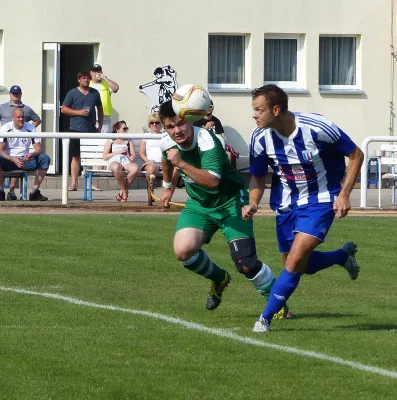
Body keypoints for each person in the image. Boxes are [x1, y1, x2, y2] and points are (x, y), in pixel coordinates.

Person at [242, 84, 364, 333]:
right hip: (286, 205)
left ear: (276, 110)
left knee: (296, 259)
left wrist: (344, 194)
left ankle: (264, 319)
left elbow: (356, 154)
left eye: (258, 110)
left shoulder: (316, 127)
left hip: (320, 200)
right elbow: (257, 176)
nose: (254, 115)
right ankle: (342, 256)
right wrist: (253, 202)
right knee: (299, 265)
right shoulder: (259, 137)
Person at [159, 100, 292, 317]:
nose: (176, 131)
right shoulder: (167, 142)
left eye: (180, 124)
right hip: (200, 205)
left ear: (190, 121)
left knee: (246, 263)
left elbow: (211, 181)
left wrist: (181, 164)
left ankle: (278, 305)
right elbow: (166, 160)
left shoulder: (207, 141)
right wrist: (167, 187)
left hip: (231, 201)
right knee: (183, 252)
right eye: (170, 127)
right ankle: (219, 278)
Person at [61, 71, 103, 191]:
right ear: (79, 80)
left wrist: (99, 126)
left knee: (91, 157)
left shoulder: (94, 93)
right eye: (83, 78)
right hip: (76, 129)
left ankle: (91, 183)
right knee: (76, 156)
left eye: (87, 78)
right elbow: (64, 109)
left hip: (91, 130)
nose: (86, 80)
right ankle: (74, 183)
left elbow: (100, 109)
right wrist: (78, 112)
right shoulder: (72, 93)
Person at [0, 85, 42, 200]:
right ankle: (1, 190)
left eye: (17, 94)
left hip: (22, 144)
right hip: (5, 139)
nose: (15, 96)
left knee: (24, 158)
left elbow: (37, 119)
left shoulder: (26, 109)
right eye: (13, 94)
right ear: (10, 95)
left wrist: (28, 130)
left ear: (20, 94)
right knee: (4, 158)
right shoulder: (2, 108)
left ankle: (13, 191)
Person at [0, 108, 50, 201]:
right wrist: (13, 159)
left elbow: (38, 148)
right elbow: (1, 150)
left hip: (25, 160)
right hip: (9, 160)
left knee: (45, 158)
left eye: (22, 117)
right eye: (18, 117)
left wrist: (32, 154)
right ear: (13, 118)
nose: (21, 119)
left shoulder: (30, 128)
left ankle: (35, 192)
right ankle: (0, 191)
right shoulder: (5, 128)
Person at [193, 100, 239, 168]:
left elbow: (221, 137)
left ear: (213, 108)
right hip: (202, 147)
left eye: (210, 106)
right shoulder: (197, 121)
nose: (209, 108)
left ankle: (228, 176)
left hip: (216, 147)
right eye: (206, 106)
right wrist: (206, 127)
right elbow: (195, 138)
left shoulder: (216, 121)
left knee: (229, 154)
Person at [103, 120, 139, 202]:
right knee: (116, 167)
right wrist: (118, 152)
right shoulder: (111, 140)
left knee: (135, 169)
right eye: (124, 129)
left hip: (125, 160)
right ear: (117, 130)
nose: (126, 131)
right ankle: (125, 191)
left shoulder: (128, 141)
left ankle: (122, 191)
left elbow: (133, 154)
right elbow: (105, 156)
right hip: (114, 160)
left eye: (127, 129)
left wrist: (132, 157)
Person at [89, 64, 119, 133]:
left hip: (105, 118)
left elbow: (116, 88)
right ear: (91, 73)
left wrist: (104, 78)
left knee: (106, 141)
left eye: (98, 71)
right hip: (91, 117)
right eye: (95, 71)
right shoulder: (88, 84)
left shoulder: (105, 83)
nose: (97, 73)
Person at [139, 113, 163, 188]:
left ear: (161, 123)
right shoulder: (146, 136)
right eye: (152, 122)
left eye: (157, 122)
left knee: (174, 169)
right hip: (151, 162)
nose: (154, 124)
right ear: (149, 124)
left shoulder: (165, 135)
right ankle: (150, 193)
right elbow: (141, 153)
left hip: (164, 162)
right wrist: (148, 161)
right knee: (151, 168)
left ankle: (166, 193)